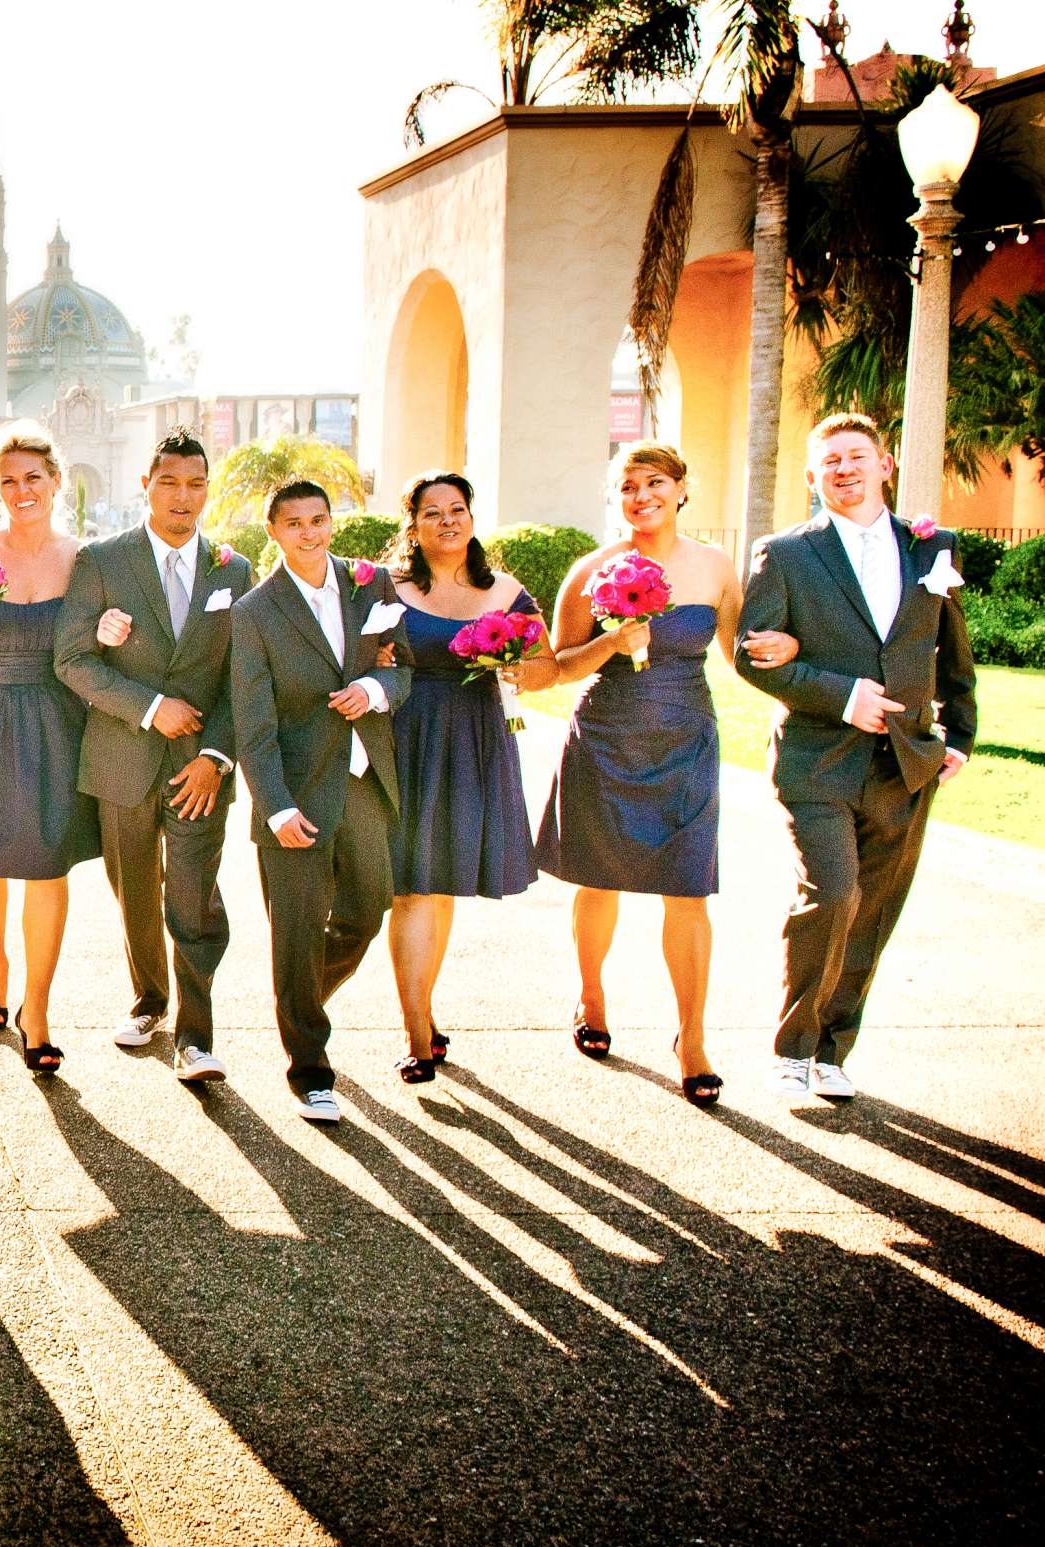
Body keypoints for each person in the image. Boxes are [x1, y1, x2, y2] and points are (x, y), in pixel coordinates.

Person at [735, 413, 977, 1100]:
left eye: (856, 457)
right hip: (817, 760)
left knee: (873, 909)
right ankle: (793, 1046)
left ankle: (834, 1050)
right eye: (829, 461)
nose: (843, 469)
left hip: (906, 764)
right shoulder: (784, 554)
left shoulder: (933, 549)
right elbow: (749, 654)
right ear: (812, 478)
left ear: (884, 466)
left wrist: (959, 736)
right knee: (833, 893)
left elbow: (954, 649)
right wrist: (841, 695)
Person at [535, 442, 776, 1106]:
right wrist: (613, 640)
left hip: (685, 740)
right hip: (607, 739)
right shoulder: (591, 570)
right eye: (627, 486)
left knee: (689, 892)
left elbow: (739, 656)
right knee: (598, 882)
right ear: (615, 499)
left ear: (680, 488)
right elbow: (558, 666)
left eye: (654, 482)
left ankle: (692, 1038)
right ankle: (591, 998)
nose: (641, 495)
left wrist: (787, 656)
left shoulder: (717, 568)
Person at [53, 426, 245, 1082]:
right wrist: (147, 706)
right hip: (121, 755)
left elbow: (243, 678)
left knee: (193, 895)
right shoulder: (103, 560)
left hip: (199, 766)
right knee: (133, 888)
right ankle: (149, 1000)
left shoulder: (233, 569)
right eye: (170, 482)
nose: (182, 496)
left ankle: (196, 1036)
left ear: (207, 490)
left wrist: (217, 755)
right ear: (146, 484)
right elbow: (72, 658)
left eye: (195, 484)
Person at [228, 481, 414, 1124]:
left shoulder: (373, 586)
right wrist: (274, 807)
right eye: (295, 523)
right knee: (298, 932)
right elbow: (253, 723)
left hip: (363, 782)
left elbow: (404, 670)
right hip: (296, 792)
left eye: (319, 520)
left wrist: (375, 687)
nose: (310, 533)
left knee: (365, 915)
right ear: (273, 532)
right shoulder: (254, 612)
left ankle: (298, 999)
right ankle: (309, 1069)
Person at [384, 471, 554, 1081]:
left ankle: (424, 1013)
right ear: (414, 525)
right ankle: (416, 1033)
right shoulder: (389, 588)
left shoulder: (506, 591)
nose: (448, 521)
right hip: (408, 735)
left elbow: (544, 668)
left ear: (473, 519)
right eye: (432, 513)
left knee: (443, 878)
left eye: (458, 510)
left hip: (477, 740)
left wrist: (514, 664)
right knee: (411, 886)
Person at [0, 423, 98, 1073]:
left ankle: (36, 1009)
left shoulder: (83, 559)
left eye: (33, 478)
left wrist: (113, 630)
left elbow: (98, 645)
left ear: (56, 481)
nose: (21, 490)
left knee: (47, 864)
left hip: (58, 720)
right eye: (9, 480)